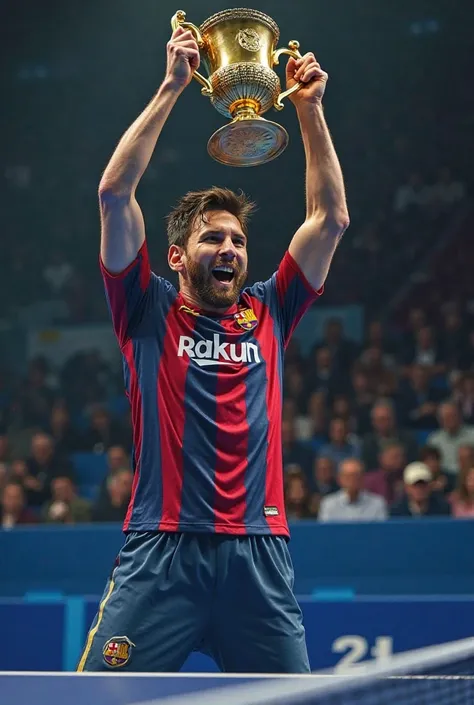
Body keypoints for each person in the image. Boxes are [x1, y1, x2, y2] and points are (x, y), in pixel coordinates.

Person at [77, 25, 349, 673]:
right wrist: (172, 85)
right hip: (162, 553)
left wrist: (310, 110)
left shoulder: (272, 307)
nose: (228, 249)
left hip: (259, 556)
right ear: (176, 255)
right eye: (211, 239)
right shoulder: (145, 308)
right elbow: (115, 195)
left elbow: (330, 219)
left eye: (236, 240)